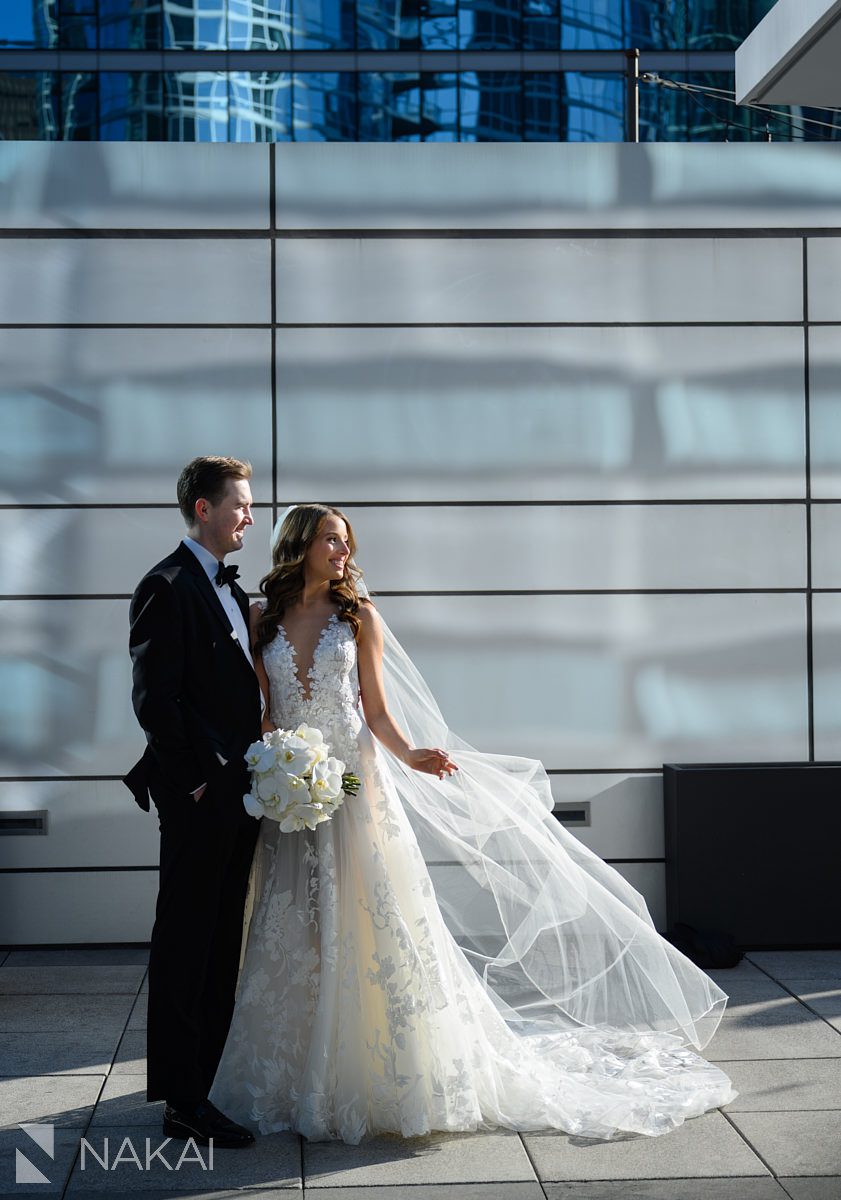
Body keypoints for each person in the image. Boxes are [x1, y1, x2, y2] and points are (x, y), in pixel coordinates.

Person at [209, 503, 736, 1144]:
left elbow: (374, 709)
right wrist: (277, 767)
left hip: (354, 784)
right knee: (295, 925)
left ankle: (377, 1069)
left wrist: (410, 755)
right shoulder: (261, 620)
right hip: (294, 793)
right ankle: (292, 1074)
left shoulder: (358, 618)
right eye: (329, 539)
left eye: (346, 541)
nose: (342, 550)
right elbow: (262, 710)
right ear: (299, 545)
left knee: (367, 920)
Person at [125, 456, 262, 1149]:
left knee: (219, 945)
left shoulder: (232, 592)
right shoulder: (167, 584)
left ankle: (206, 1087)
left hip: (240, 799)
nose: (249, 516)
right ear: (203, 509)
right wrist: (197, 780)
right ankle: (182, 1101)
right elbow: (156, 698)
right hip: (199, 799)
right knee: (185, 945)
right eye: (239, 504)